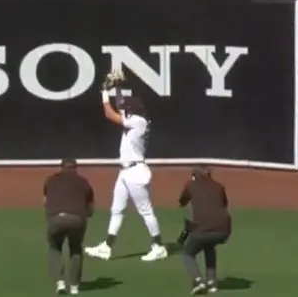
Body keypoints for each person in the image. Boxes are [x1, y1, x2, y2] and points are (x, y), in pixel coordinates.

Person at [86, 69, 168, 263]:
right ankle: (106, 247)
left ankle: (159, 246)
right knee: (117, 210)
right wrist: (117, 87)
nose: (124, 109)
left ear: (133, 111)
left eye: (127, 109)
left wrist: (104, 92)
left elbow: (110, 114)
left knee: (145, 210)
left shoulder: (138, 122)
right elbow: (121, 107)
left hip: (135, 171)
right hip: (126, 172)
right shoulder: (137, 119)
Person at [43, 158, 95, 296]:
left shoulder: (51, 180)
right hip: (77, 219)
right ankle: (74, 287)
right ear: (76, 168)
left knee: (54, 248)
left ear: (61, 167)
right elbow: (90, 208)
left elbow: (45, 200)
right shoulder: (83, 182)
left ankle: (60, 283)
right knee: (76, 249)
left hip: (55, 219)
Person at [177, 166, 232, 294]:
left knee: (187, 253)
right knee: (209, 246)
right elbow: (224, 204)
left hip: (203, 229)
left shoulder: (191, 185)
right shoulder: (219, 186)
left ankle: (198, 281)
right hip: (224, 230)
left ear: (194, 175)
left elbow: (182, 200)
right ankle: (212, 282)